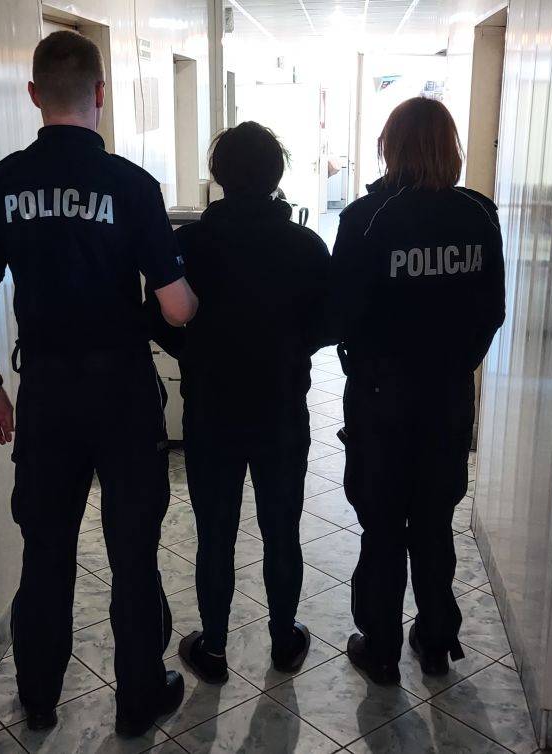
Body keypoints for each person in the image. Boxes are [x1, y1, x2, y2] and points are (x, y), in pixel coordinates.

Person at [0, 30, 198, 736]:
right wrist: (196, 296)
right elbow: (176, 307)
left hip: (46, 394)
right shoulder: (133, 185)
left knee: (45, 549)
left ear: (35, 95)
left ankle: (38, 697)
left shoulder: (3, 184)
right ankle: (138, 700)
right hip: (122, 392)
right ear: (100, 93)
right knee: (133, 550)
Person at [330, 97, 505, 683]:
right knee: (434, 521)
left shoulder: (366, 217)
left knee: (382, 525)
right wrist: (457, 365)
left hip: (382, 399)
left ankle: (380, 648)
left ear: (390, 146)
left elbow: (342, 313)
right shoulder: (479, 214)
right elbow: (493, 310)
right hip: (448, 397)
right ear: (451, 146)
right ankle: (436, 640)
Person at [149, 122, 331, 683]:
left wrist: (194, 354)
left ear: (219, 175)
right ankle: (284, 640)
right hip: (281, 406)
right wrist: (290, 349)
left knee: (215, 533)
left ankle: (214, 648)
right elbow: (329, 322)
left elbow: (158, 319)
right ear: (277, 175)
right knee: (282, 528)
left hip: (211, 408)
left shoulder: (188, 246)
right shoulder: (304, 246)